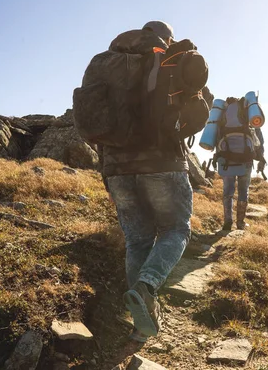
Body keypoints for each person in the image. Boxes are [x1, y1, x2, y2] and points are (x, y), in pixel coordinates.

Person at [95, 21, 204, 342]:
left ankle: (140, 324)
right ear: (165, 37)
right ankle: (146, 287)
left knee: (138, 240)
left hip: (115, 166)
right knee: (176, 229)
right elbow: (199, 110)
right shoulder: (170, 57)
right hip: (162, 162)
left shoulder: (107, 62)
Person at [215, 97, 266, 231]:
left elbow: (216, 138)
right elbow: (259, 141)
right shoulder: (249, 117)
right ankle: (240, 223)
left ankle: (227, 221)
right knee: (243, 191)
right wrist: (260, 157)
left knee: (228, 191)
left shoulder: (223, 117)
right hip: (246, 160)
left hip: (227, 160)